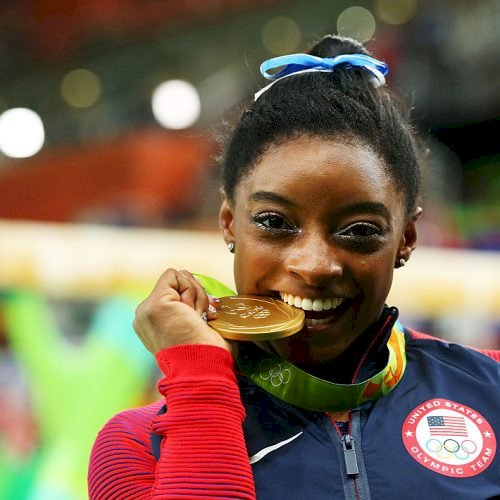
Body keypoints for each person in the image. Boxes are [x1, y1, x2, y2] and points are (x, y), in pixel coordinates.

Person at [88, 35, 499, 499]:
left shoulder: (492, 392)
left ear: (406, 238)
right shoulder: (137, 446)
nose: (315, 266)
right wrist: (200, 380)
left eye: (360, 230)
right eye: (274, 222)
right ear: (229, 224)